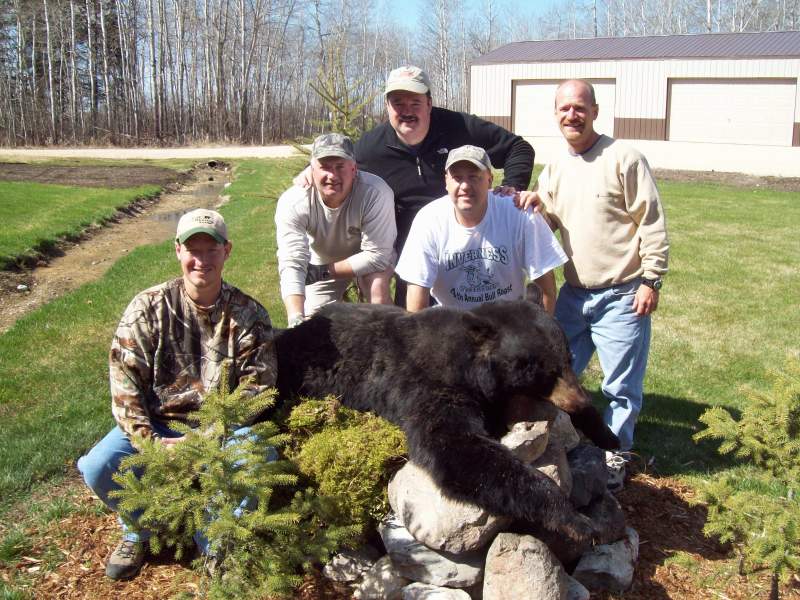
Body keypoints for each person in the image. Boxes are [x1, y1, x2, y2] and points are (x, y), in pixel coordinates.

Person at [77, 208, 277, 580]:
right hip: (158, 425)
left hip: (222, 430)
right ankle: (143, 528)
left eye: (211, 249)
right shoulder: (147, 308)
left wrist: (209, 435)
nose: (201, 260)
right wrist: (149, 441)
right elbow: (124, 384)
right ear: (177, 251)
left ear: (227, 251)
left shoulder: (249, 314)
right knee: (97, 466)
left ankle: (215, 539)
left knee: (260, 457)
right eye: (192, 249)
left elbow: (258, 387)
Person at [519, 79, 669, 490]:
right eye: (565, 108)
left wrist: (651, 279)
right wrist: (530, 205)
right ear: (556, 115)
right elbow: (546, 217)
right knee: (554, 373)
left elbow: (651, 222)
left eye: (580, 107)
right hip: (573, 295)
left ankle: (616, 457)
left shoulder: (624, 158)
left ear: (595, 111)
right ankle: (558, 443)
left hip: (623, 293)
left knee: (620, 386)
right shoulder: (556, 168)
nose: (573, 115)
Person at [297, 66, 534, 307]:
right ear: (388, 107)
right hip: (409, 246)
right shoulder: (371, 147)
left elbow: (519, 148)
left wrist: (512, 185)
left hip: (464, 241)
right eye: (398, 103)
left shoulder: (459, 127)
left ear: (429, 103)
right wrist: (312, 171)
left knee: (470, 311)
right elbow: (340, 167)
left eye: (415, 102)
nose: (406, 111)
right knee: (412, 324)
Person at [395, 144, 566, 314]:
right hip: (451, 324)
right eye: (457, 177)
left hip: (508, 322)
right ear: (446, 181)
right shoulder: (428, 220)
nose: (465, 186)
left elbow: (547, 289)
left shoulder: (519, 212)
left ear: (490, 179)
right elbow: (416, 299)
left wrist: (539, 336)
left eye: (474, 177)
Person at [276, 133, 396, 326]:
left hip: (368, 258)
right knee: (313, 324)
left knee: (378, 292)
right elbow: (292, 261)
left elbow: (378, 255)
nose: (332, 176)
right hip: (322, 261)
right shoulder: (294, 201)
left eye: (340, 166)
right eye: (324, 167)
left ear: (354, 168)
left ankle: (390, 346)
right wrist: (295, 318)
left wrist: (322, 272)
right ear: (312, 169)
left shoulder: (376, 192)